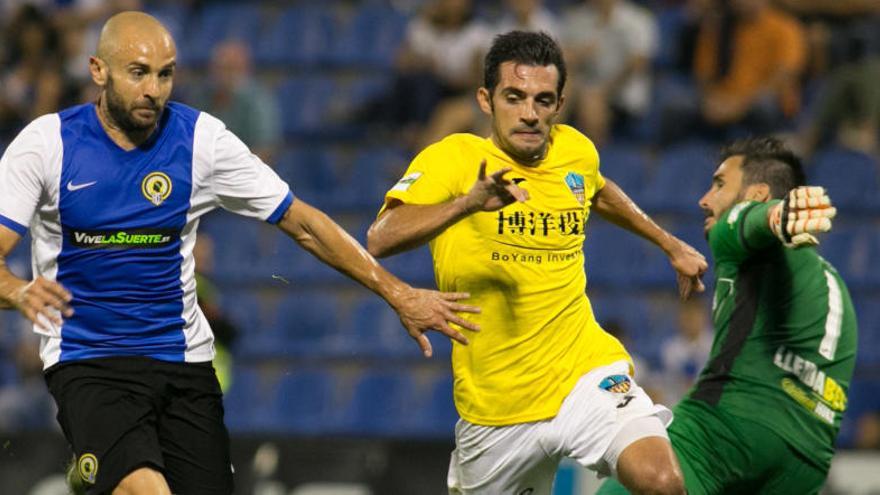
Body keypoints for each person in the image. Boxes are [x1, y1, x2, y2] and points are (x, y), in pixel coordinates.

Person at [0, 11, 479, 495]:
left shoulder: (201, 141)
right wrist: (19, 291)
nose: (154, 89)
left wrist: (397, 293)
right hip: (89, 358)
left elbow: (303, 222)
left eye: (165, 73)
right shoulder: (46, 146)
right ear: (98, 70)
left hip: (183, 362)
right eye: (138, 72)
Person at [367, 31, 708, 495]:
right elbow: (381, 237)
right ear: (486, 100)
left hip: (584, 373)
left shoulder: (575, 150)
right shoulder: (455, 157)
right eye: (515, 97)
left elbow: (598, 189)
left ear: (559, 103)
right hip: (496, 410)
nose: (530, 113)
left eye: (543, 100)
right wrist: (466, 204)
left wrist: (669, 243)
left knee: (662, 481)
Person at [597, 137, 857, 494]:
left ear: (759, 194)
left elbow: (747, 219)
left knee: (630, 484)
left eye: (719, 184)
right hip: (808, 461)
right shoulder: (836, 287)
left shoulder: (734, 234)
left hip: (729, 431)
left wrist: (773, 216)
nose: (704, 199)